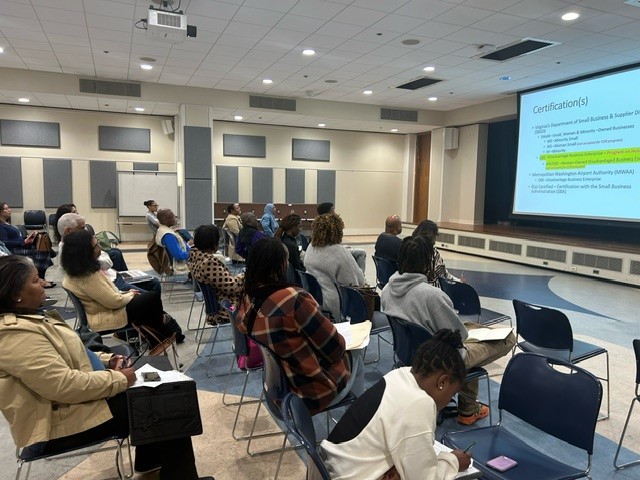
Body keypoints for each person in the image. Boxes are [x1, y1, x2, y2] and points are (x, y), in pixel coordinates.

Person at [0, 256, 212, 480]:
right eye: (35, 280)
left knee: (158, 377)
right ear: (15, 294)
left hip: (71, 405)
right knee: (168, 400)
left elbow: (73, 353)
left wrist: (108, 360)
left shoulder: (31, 317)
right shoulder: (15, 334)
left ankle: (151, 459)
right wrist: (119, 379)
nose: (44, 282)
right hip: (56, 424)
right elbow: (63, 386)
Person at [381, 236, 515, 424]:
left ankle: (468, 408)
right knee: (507, 338)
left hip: (408, 354)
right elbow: (459, 337)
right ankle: (468, 411)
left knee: (469, 335)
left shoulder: (387, 289)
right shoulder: (432, 296)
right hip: (440, 360)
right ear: (427, 264)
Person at [320, 329, 472, 480]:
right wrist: (453, 461)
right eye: (452, 394)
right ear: (443, 382)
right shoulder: (419, 403)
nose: (449, 401)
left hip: (331, 467)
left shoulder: (400, 375)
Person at [236, 238, 351, 414]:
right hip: (311, 392)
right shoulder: (293, 299)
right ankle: (356, 421)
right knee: (354, 354)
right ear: (281, 266)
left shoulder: (247, 297)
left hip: (278, 390)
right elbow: (335, 348)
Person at [61, 229, 183, 343]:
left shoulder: (76, 271)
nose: (100, 248)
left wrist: (127, 294)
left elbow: (110, 294)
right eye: (97, 245)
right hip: (108, 315)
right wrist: (130, 294)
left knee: (149, 302)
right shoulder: (88, 277)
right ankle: (162, 338)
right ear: (86, 252)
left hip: (106, 308)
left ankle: (161, 337)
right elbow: (114, 301)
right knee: (152, 299)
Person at [58, 213, 161, 293]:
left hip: (112, 276)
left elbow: (105, 259)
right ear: (68, 231)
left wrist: (96, 254)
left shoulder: (78, 244)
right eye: (81, 228)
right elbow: (105, 264)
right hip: (111, 283)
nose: (86, 230)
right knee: (151, 297)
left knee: (154, 282)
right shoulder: (71, 250)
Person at [304, 213, 365, 320]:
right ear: (338, 231)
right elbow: (356, 283)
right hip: (333, 305)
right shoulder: (339, 252)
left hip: (312, 300)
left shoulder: (311, 247)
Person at [187, 224, 243, 325]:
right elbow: (232, 287)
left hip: (217, 304)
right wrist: (244, 276)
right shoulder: (208, 262)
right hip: (227, 307)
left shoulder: (195, 256)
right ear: (213, 243)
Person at [55, 203, 129, 272]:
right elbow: (106, 263)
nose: (78, 215)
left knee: (116, 252)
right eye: (74, 213)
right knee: (116, 254)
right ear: (68, 230)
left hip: (100, 270)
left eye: (77, 213)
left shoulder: (76, 240)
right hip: (98, 276)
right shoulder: (69, 249)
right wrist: (96, 253)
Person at [0, 202, 54, 287]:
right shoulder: (1, 226)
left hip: (19, 246)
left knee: (42, 249)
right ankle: (40, 279)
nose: (9, 210)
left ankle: (41, 278)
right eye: (6, 209)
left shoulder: (6, 224)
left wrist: (27, 237)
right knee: (39, 252)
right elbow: (4, 242)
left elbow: (16, 237)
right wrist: (23, 242)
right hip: (13, 250)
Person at [412, 219, 461, 287]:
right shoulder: (433, 253)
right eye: (435, 236)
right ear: (430, 236)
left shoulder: (408, 248)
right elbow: (443, 274)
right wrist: (459, 281)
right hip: (429, 288)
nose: (434, 242)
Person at [155, 208, 190, 274]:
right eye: (172, 216)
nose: (175, 218)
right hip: (180, 266)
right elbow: (179, 256)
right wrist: (192, 253)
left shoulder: (162, 230)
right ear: (165, 220)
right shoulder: (168, 236)